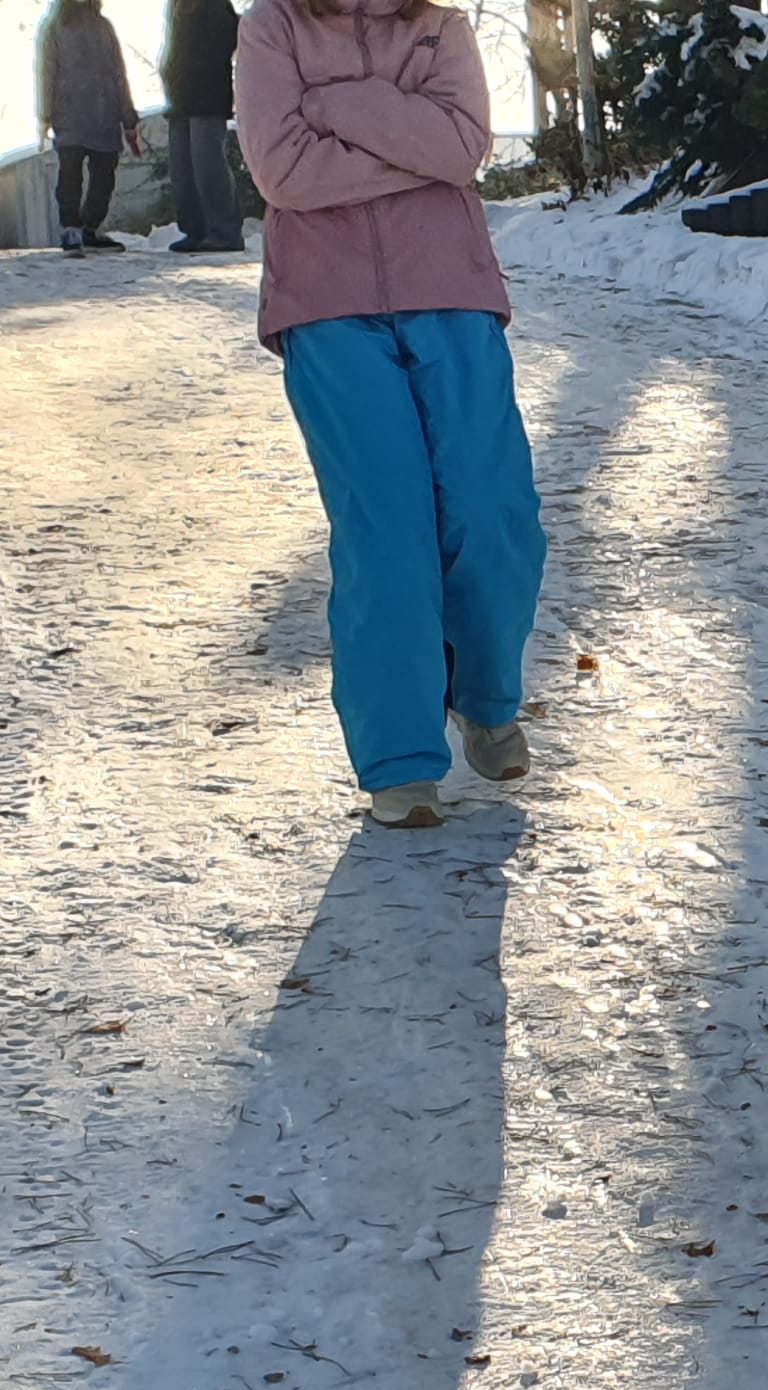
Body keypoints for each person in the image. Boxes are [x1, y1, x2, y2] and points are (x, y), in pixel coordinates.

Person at [235, 0, 546, 828]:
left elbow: (462, 148)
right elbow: (283, 172)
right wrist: (412, 139)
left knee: (493, 511)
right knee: (387, 527)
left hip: (452, 291)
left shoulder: (442, 26)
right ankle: (400, 754)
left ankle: (484, 699)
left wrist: (339, 104)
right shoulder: (274, 27)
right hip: (325, 306)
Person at [35, 0, 142, 257]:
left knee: (104, 178)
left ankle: (89, 228)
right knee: (70, 177)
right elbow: (45, 73)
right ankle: (71, 230)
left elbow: (119, 74)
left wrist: (128, 118)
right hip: (69, 114)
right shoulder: (54, 26)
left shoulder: (103, 26)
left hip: (105, 114)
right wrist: (44, 115)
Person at [161, 0, 243, 253]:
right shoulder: (175, 6)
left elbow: (231, 38)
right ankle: (195, 230)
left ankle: (224, 231)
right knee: (182, 170)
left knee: (208, 166)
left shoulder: (215, 5)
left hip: (207, 97)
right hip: (180, 98)